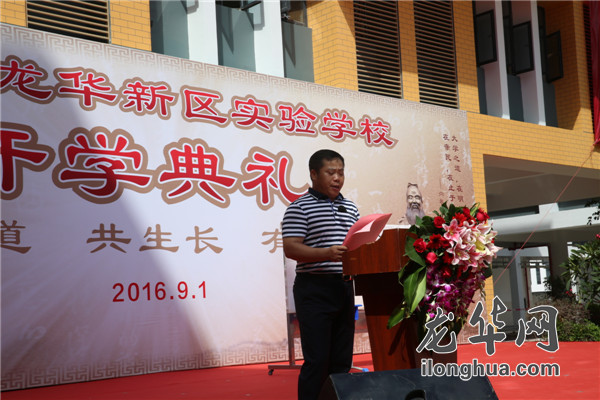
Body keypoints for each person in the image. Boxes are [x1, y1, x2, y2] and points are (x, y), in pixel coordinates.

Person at [282, 149, 360, 400]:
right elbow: (291, 248)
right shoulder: (299, 208)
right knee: (317, 360)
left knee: (342, 360)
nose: (337, 178)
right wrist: (326, 253)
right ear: (314, 174)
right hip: (314, 289)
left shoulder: (350, 207)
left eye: (341, 173)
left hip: (344, 287)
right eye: (331, 173)